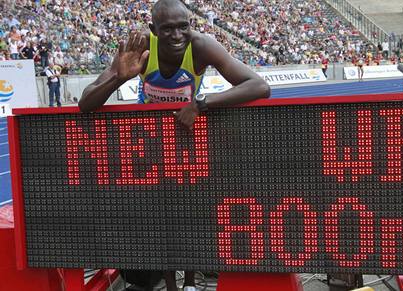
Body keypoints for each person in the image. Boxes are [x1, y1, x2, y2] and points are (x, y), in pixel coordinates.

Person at [78, 0, 270, 290]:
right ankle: (170, 284)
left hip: (185, 134)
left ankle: (190, 283)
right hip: (150, 140)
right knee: (162, 218)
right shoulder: (140, 45)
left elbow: (259, 86)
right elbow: (86, 103)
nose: (178, 35)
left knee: (190, 214)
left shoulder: (202, 46)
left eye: (184, 26)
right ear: (153, 30)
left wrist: (200, 104)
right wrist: (119, 78)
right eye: (168, 29)